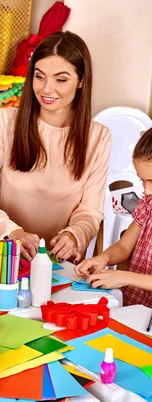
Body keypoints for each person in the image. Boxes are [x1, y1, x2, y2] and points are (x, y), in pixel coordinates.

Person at [0, 31, 110, 263]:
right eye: (40, 77)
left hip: (46, 261)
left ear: (81, 81)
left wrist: (74, 234)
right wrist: (10, 232)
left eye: (61, 79)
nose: (47, 89)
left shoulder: (98, 137)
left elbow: (90, 211)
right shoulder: (6, 121)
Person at [75, 128, 152, 307]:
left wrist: (124, 277)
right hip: (137, 309)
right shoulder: (148, 204)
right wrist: (103, 259)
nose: (146, 190)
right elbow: (125, 246)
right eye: (142, 180)